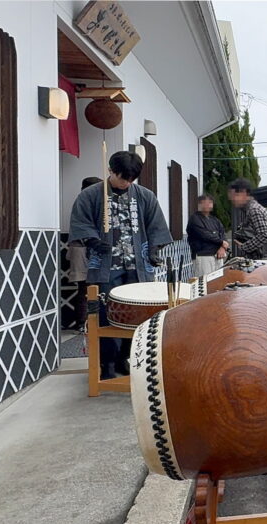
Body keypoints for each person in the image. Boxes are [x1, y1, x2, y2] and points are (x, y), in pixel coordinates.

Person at [69, 150, 171, 380]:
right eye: (122, 177)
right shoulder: (91, 195)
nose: (126, 183)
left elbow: (156, 227)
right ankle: (106, 363)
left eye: (131, 179)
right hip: (106, 266)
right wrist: (93, 240)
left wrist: (154, 250)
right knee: (105, 316)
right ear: (110, 171)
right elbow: (81, 221)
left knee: (137, 315)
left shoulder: (145, 196)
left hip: (138, 266)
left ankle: (127, 358)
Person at [64, 176, 103, 330]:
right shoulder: (87, 202)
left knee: (86, 287)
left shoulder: (83, 201)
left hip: (81, 248)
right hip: (82, 248)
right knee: (86, 287)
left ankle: (85, 323)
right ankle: (83, 323)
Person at [227, 178, 267, 260]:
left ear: (244, 193)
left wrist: (245, 246)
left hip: (266, 261)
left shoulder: (254, 210)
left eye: (235, 196)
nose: (233, 200)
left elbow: (265, 234)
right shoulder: (251, 209)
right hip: (265, 259)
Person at [186, 193, 228, 277]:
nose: (208, 204)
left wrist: (222, 247)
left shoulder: (215, 220)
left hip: (218, 255)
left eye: (210, 202)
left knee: (218, 282)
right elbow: (204, 235)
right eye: (205, 202)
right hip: (203, 256)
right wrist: (221, 242)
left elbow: (222, 233)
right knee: (204, 283)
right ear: (199, 204)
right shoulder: (194, 219)